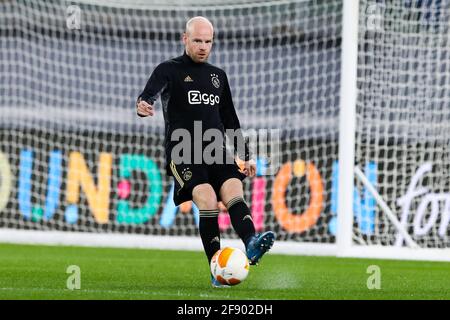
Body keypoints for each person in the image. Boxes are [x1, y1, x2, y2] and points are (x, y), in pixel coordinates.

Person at [136, 16, 275, 287]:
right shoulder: (168, 69)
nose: (203, 46)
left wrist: (245, 154)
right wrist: (144, 104)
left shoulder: (217, 76)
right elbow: (149, 93)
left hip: (216, 149)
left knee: (234, 191)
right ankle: (216, 267)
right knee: (208, 200)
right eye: (197, 40)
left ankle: (252, 243)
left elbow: (230, 119)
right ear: (184, 38)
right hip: (182, 150)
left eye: (208, 41)